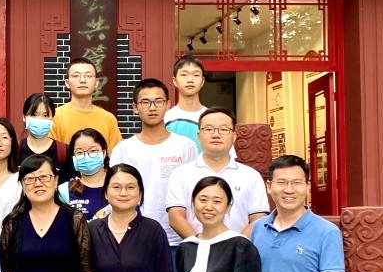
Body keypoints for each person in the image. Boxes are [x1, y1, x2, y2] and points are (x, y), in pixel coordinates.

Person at [109, 78, 198, 251]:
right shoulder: (123, 149)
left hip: (178, 238)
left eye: (158, 101)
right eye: (145, 102)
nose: (152, 107)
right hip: (134, 237)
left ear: (168, 105)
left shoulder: (186, 146)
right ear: (135, 107)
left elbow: (194, 189)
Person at [165, 108, 268, 239]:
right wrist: (200, 245)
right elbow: (175, 217)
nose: (216, 135)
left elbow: (258, 218)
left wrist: (236, 246)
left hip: (238, 249)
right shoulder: (181, 174)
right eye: (208, 129)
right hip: (195, 247)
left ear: (234, 136)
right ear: (198, 135)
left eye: (223, 129)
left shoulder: (251, 176)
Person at [51, 57, 122, 151]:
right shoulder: (55, 116)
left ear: (96, 83)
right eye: (76, 76)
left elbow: (115, 156)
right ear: (67, 83)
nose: (82, 80)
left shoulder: (108, 119)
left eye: (88, 76)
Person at [19, 92, 69, 180]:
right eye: (34, 115)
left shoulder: (64, 151)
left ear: (52, 118)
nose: (40, 119)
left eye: (45, 115)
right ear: (24, 117)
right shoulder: (15, 150)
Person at [63, 128, 110, 220]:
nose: (86, 156)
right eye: (79, 152)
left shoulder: (119, 184)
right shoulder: (64, 191)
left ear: (104, 153)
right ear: (73, 157)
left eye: (93, 151)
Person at [163, 55, 207, 149]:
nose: (190, 80)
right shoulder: (165, 119)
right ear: (174, 81)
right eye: (184, 75)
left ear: (202, 81)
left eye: (196, 75)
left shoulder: (213, 118)